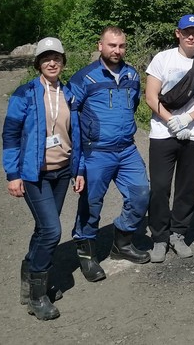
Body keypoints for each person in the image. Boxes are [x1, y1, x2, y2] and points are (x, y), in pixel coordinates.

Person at [2, 37, 83, 320]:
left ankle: (29, 280)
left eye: (57, 58)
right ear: (38, 63)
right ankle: (38, 296)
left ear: (63, 62)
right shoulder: (23, 94)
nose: (52, 62)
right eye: (46, 58)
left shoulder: (71, 92)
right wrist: (13, 174)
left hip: (62, 171)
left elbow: (78, 135)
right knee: (51, 231)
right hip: (34, 174)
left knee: (43, 229)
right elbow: (10, 135)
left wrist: (79, 168)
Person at [71, 26, 150, 280]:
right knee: (91, 204)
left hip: (126, 150)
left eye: (121, 46)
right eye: (112, 45)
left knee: (141, 195)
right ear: (100, 46)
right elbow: (72, 120)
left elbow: (134, 104)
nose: (117, 50)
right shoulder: (84, 78)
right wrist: (79, 163)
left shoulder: (132, 75)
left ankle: (122, 243)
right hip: (96, 152)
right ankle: (87, 255)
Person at [144, 14, 194, 262]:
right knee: (160, 187)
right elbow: (151, 96)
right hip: (163, 133)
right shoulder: (162, 59)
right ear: (177, 33)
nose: (190, 36)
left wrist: (187, 119)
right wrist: (171, 121)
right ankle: (159, 237)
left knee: (187, 187)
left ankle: (178, 233)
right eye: (186, 31)